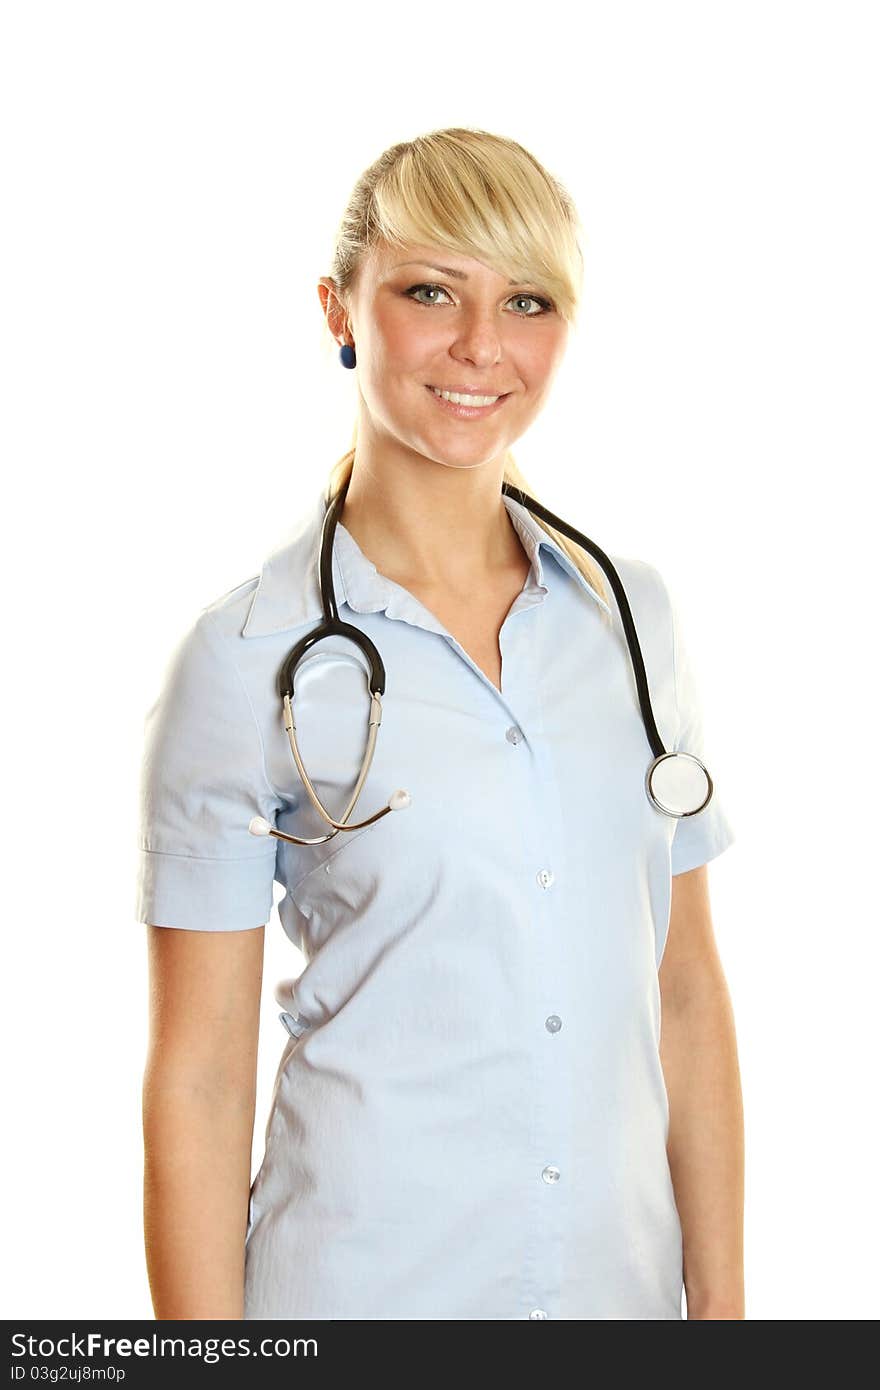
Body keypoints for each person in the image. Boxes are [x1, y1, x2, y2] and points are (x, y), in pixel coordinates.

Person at [135, 126, 744, 1321]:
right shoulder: (244, 658)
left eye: (526, 300)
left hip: (613, 1302)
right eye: (429, 291)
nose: (480, 347)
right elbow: (199, 1078)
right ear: (340, 311)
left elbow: (682, 991)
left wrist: (721, 1318)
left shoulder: (633, 624)